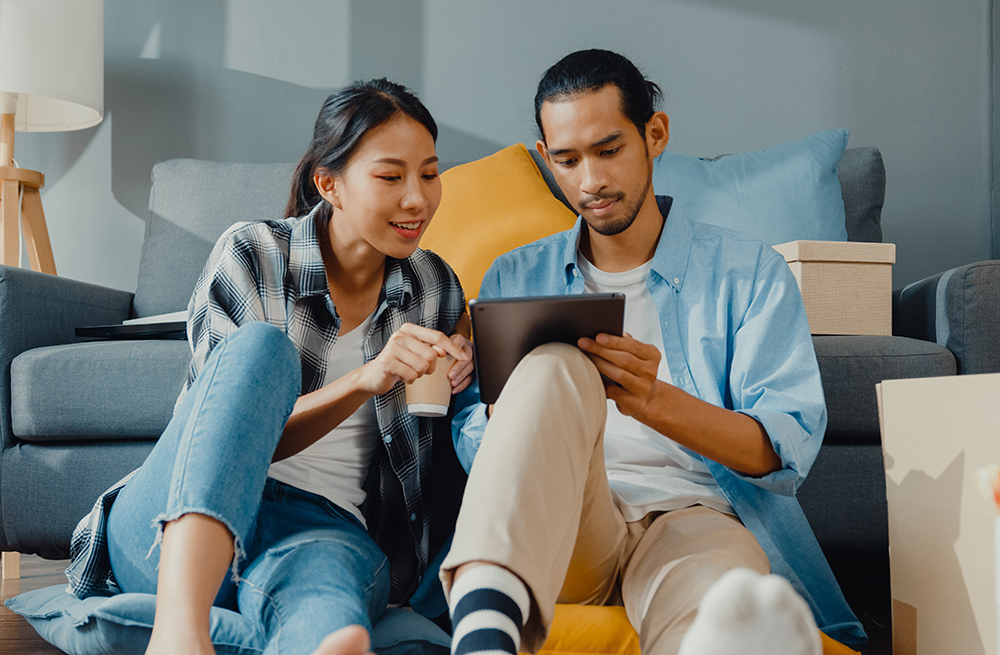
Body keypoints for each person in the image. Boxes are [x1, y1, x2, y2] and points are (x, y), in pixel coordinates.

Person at [440, 50, 867, 655]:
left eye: (608, 149)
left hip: (696, 519)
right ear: (546, 159)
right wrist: (484, 392)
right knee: (554, 365)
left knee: (718, 618)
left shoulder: (748, 273)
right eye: (567, 160)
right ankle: (485, 634)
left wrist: (651, 399)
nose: (590, 181)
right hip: (570, 527)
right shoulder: (515, 276)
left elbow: (783, 450)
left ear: (654, 134)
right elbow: (479, 445)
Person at [64, 78, 473, 655]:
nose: (418, 199)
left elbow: (462, 402)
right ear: (328, 183)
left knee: (334, 624)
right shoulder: (253, 253)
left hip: (324, 531)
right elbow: (223, 442)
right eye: (391, 176)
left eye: (430, 174)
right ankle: (179, 634)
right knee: (262, 348)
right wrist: (366, 377)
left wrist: (469, 352)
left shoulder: (433, 286)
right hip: (180, 518)